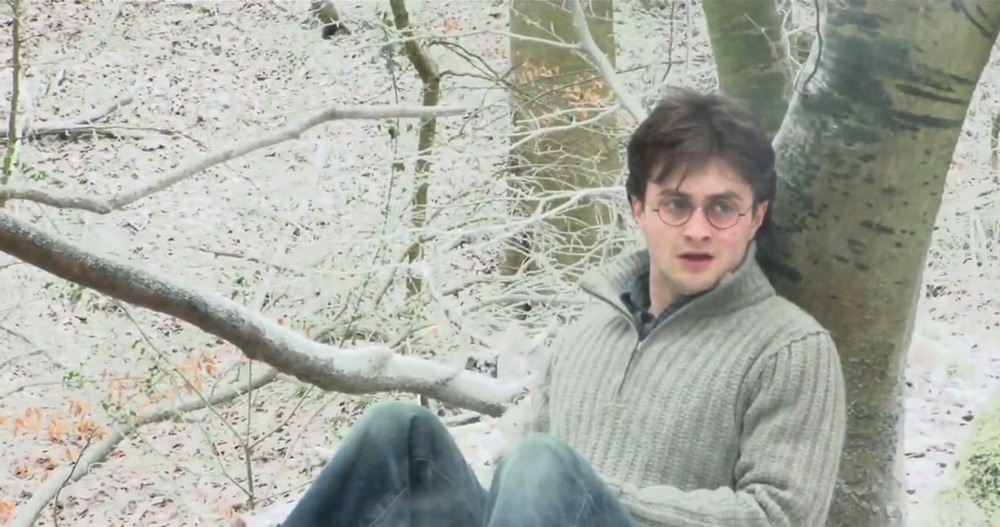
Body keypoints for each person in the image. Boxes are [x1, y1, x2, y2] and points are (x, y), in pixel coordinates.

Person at [280, 88, 848, 527]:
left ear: (755, 217)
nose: (698, 229)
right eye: (676, 204)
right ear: (638, 208)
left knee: (542, 465)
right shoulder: (587, 329)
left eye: (722, 208)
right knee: (398, 432)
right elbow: (518, 487)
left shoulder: (790, 349)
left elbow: (781, 516)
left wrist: (596, 493)